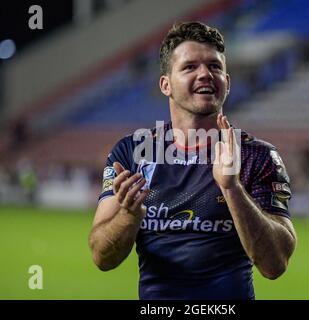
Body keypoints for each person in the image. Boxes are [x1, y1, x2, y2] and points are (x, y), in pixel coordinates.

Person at [88, 21, 297, 300]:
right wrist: (129, 215)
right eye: (190, 67)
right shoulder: (132, 152)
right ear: (166, 84)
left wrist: (232, 188)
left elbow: (275, 265)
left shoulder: (257, 156)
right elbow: (102, 257)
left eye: (214, 66)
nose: (205, 75)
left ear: (227, 82)